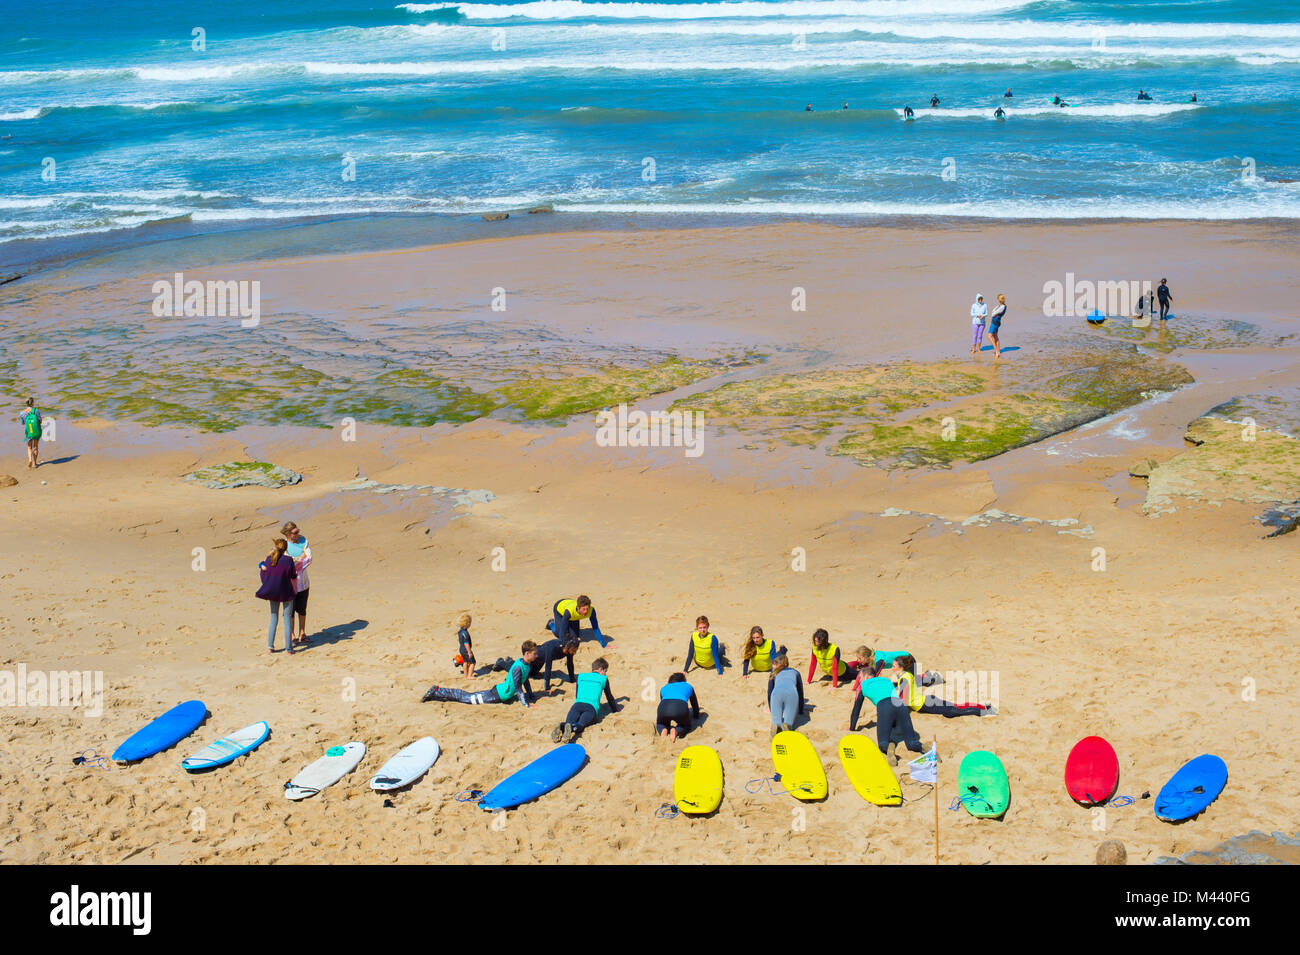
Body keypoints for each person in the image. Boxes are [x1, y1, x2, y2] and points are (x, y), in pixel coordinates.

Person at [422, 641, 539, 707]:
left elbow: (525, 681)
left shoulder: (527, 665)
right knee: (467, 698)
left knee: (468, 697)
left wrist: (531, 695)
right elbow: (518, 688)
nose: (536, 656)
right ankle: (436, 691)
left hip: (502, 694)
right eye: (534, 653)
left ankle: (437, 691)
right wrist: (526, 705)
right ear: (527, 653)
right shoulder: (518, 667)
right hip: (497, 695)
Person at [848, 675, 925, 763]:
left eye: (860, 677)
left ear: (866, 676)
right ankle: (923, 747)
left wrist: (852, 728)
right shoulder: (886, 679)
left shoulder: (862, 685)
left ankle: (890, 746)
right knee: (911, 743)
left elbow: (856, 709)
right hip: (901, 705)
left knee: (883, 743)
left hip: (884, 706)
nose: (859, 680)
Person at [892, 654, 994, 717]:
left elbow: (903, 700)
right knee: (956, 707)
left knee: (955, 711)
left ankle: (985, 711)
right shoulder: (907, 674)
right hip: (927, 700)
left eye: (893, 666)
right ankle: (984, 707)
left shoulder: (904, 678)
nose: (892, 668)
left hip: (926, 705)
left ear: (901, 668)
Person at [551, 658, 620, 742]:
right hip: (591, 707)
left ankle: (561, 725)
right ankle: (572, 728)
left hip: (577, 704)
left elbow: (577, 694)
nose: (605, 674)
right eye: (605, 671)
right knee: (581, 725)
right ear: (601, 669)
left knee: (568, 722)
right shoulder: (603, 679)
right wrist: (615, 710)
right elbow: (609, 697)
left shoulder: (581, 676)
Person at [256, 538, 297, 654]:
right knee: (287, 619)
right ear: (285, 549)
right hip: (286, 592)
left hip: (273, 592)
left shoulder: (269, 559)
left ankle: (270, 647)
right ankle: (289, 649)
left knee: (274, 617)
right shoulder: (288, 560)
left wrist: (261, 566)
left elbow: (264, 575)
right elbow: (293, 575)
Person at [282, 521, 313, 647]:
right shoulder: (284, 545)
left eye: (298, 531)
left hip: (303, 583)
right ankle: (292, 635)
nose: (298, 534)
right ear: (289, 534)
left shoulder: (303, 540)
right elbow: (286, 562)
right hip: (289, 584)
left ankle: (302, 633)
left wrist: (295, 562)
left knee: (302, 610)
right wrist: (300, 558)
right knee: (290, 611)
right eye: (295, 532)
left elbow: (309, 558)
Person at [766, 654, 804, 735]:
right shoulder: (796, 672)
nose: (772, 666)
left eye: (775, 664)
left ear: (781, 664)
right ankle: (787, 726)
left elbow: (769, 692)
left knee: (776, 722)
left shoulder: (773, 674)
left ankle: (776, 727)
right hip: (792, 694)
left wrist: (770, 708)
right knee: (788, 723)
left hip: (776, 694)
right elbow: (800, 691)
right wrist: (800, 709)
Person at [656, 672, 700, 741]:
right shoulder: (688, 686)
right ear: (683, 680)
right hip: (680, 708)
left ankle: (663, 730)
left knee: (661, 724)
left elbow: (662, 701)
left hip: (663, 708)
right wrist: (696, 715)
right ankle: (676, 731)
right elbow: (694, 703)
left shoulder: (664, 688)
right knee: (685, 726)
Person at [19, 397, 41, 469]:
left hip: (29, 432)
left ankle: (30, 460)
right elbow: (40, 421)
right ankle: (35, 463)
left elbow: (22, 423)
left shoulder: (22, 413)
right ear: (33, 403)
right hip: (36, 431)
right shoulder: (36, 411)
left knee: (29, 447)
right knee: (35, 447)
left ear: (26, 403)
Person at [455, 613, 475, 678]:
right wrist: (469, 652)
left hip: (461, 649)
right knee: (473, 662)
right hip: (466, 650)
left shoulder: (460, 631)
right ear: (467, 624)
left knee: (465, 661)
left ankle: (466, 675)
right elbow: (466, 643)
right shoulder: (465, 633)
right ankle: (469, 676)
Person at [987, 293, 1007, 357]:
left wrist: (993, 312)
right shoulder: (1000, 306)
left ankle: (997, 351)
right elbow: (993, 312)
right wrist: (993, 311)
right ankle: (998, 351)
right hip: (996, 322)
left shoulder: (1002, 307)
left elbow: (993, 313)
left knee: (989, 336)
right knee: (995, 337)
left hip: (995, 323)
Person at [970, 293, 988, 357]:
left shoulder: (985, 305)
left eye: (981, 299)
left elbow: (986, 313)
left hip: (982, 323)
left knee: (980, 336)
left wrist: (982, 316)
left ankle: (979, 349)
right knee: (975, 336)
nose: (980, 300)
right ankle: (974, 349)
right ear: (976, 299)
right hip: (975, 323)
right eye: (979, 299)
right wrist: (977, 315)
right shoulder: (974, 305)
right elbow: (971, 314)